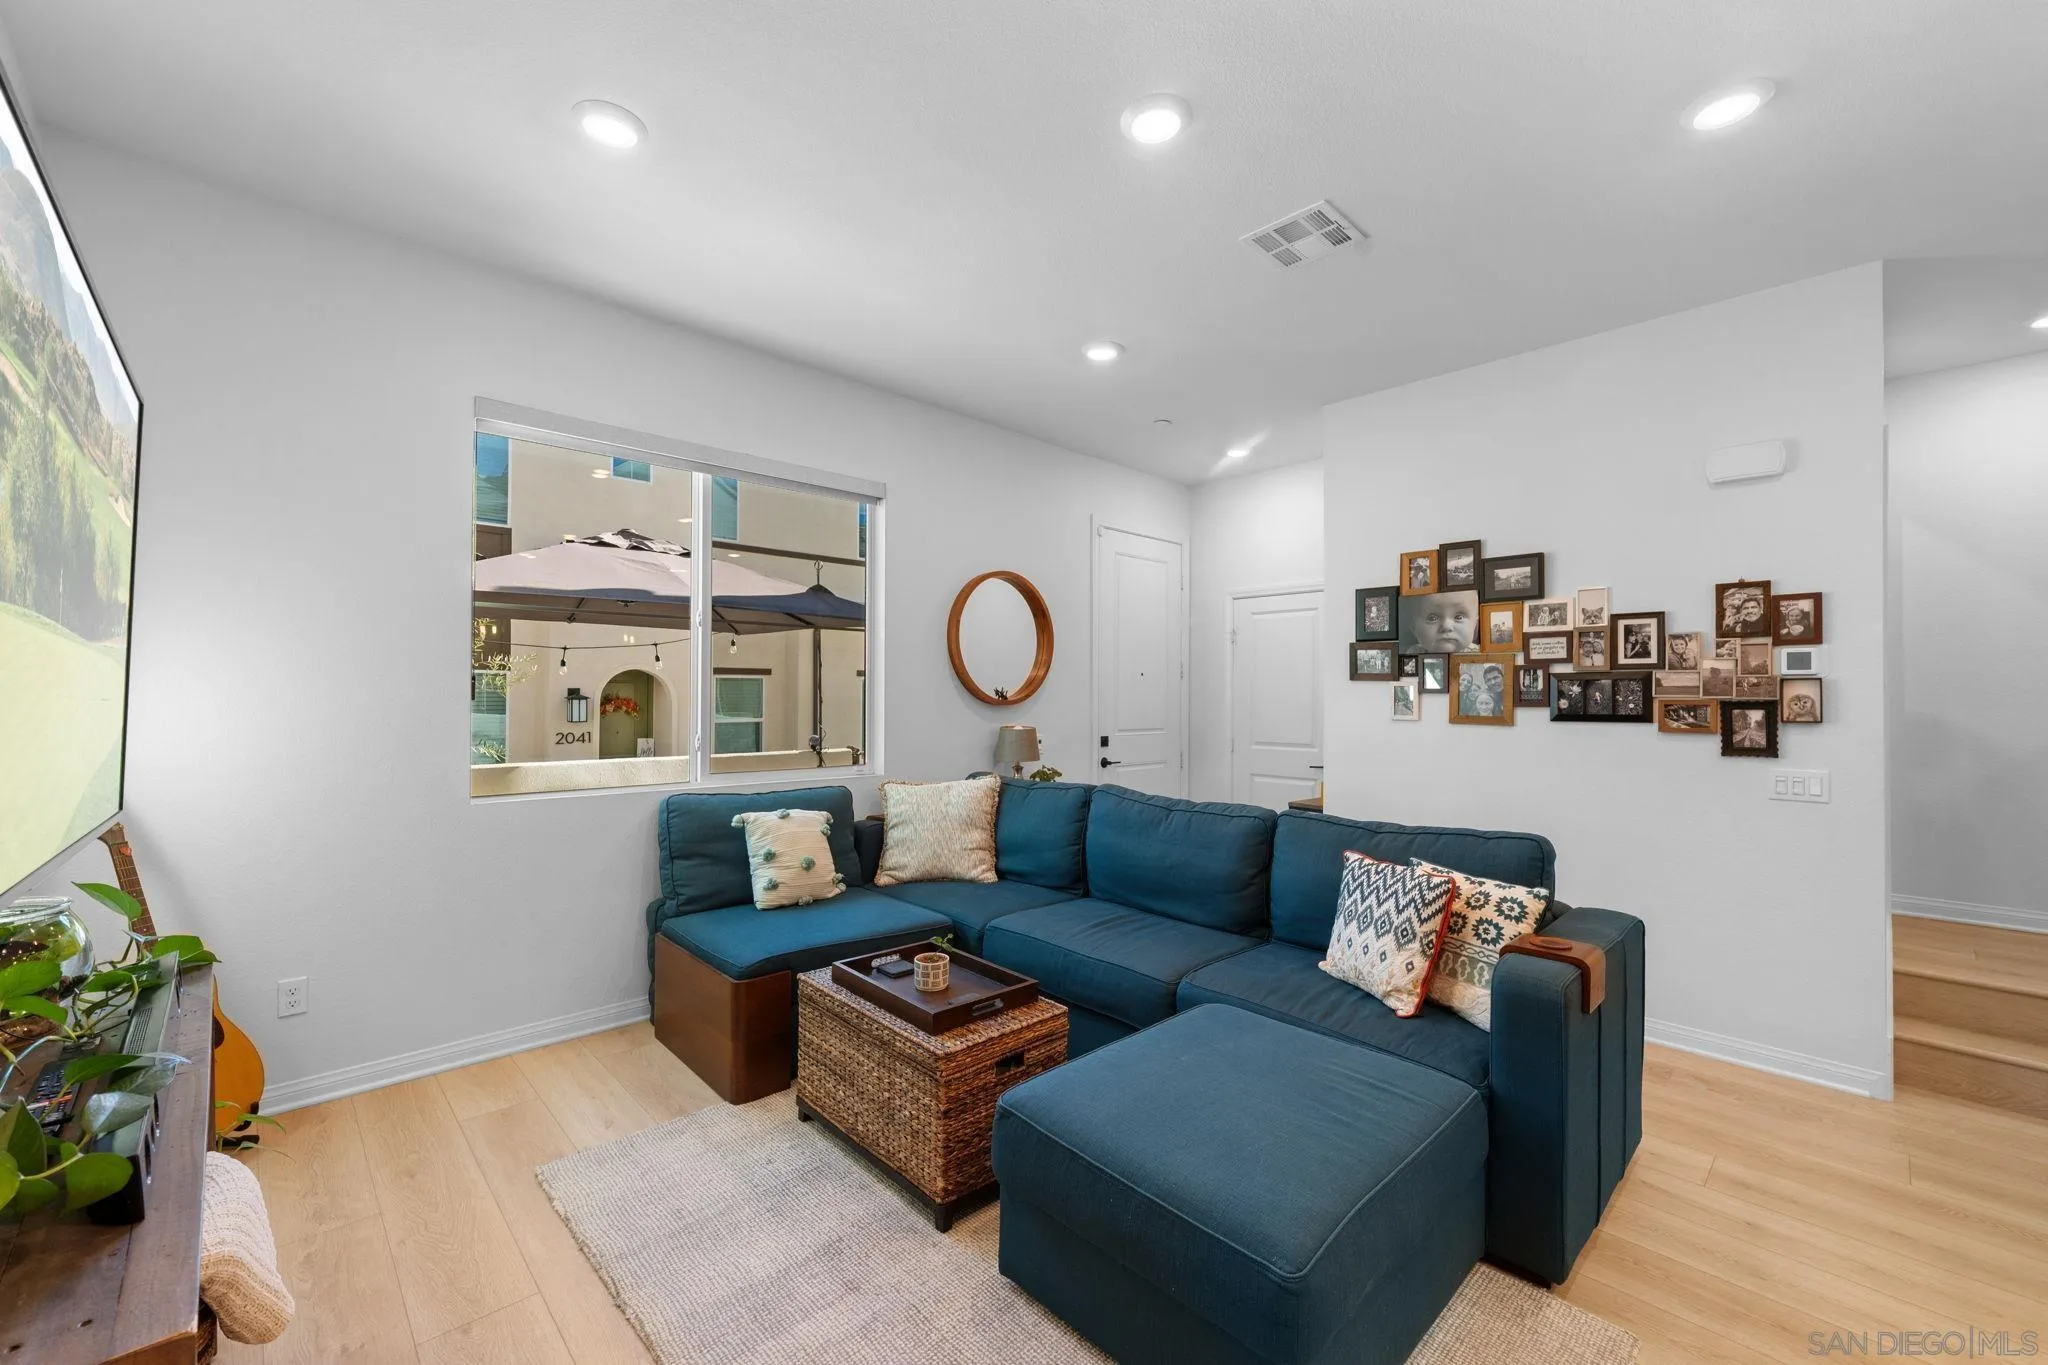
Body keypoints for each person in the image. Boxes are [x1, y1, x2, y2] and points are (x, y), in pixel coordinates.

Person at [1402, 592, 1477, 654]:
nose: (1446, 626)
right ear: (1413, 627)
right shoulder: (1413, 654)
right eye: (1432, 618)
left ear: (1475, 623)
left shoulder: (1480, 656)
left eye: (1459, 617)